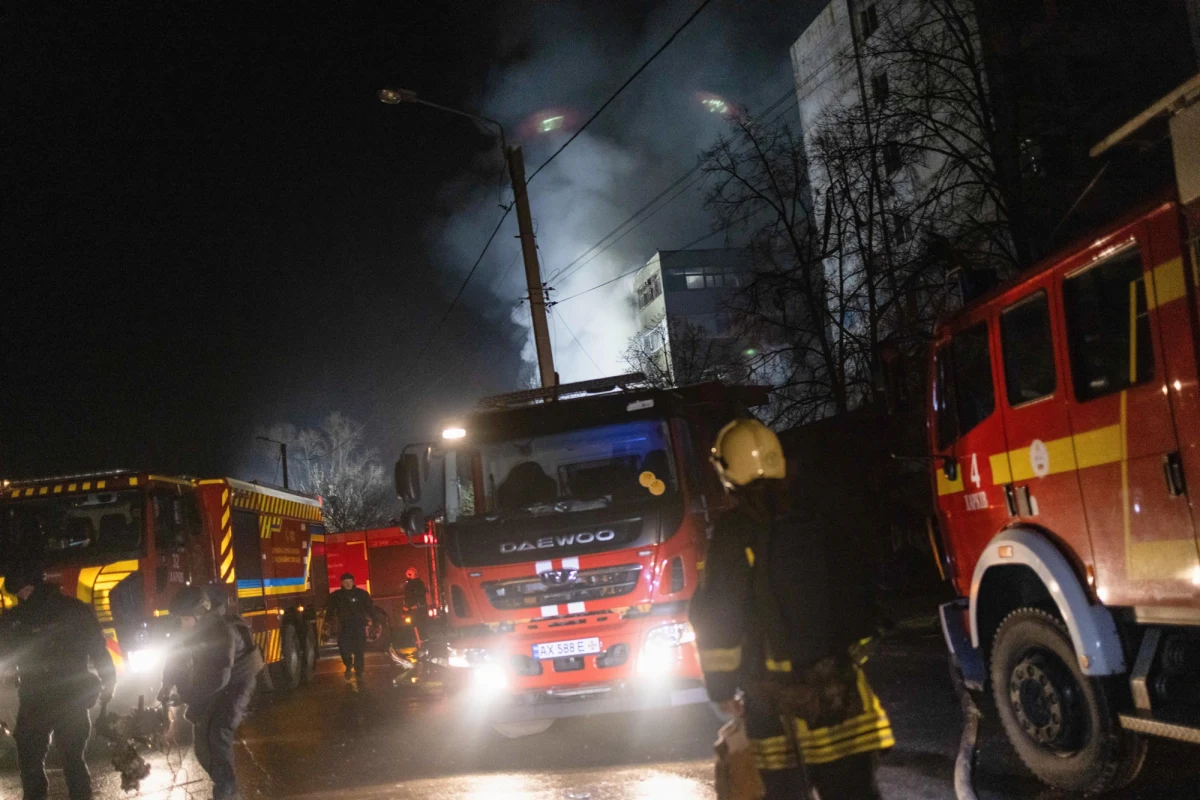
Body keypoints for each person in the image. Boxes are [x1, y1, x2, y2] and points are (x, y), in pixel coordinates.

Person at [690, 419, 893, 799]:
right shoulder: (823, 514)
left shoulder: (735, 533)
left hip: (774, 707)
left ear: (727, 472)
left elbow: (719, 616)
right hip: (841, 694)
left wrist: (720, 687)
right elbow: (862, 586)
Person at [0, 562, 116, 800]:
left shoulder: (19, 618)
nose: (21, 597)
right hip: (59, 697)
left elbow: (97, 647)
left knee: (46, 760)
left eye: (23, 591)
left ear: (32, 587)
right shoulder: (73, 609)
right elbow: (98, 648)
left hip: (48, 699)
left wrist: (109, 679)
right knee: (64, 759)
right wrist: (108, 679)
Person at [159, 586, 263, 800]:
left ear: (201, 614)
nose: (182, 624)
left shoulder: (222, 631)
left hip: (238, 680)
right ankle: (223, 782)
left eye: (186, 619)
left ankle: (227, 791)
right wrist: (167, 684)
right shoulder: (188, 628)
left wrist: (185, 697)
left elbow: (219, 679)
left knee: (218, 732)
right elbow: (175, 657)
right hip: (213, 679)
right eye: (180, 619)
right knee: (202, 741)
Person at [325, 573, 372, 680]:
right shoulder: (336, 596)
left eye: (350, 582)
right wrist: (327, 622)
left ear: (353, 582)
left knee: (359, 650)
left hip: (359, 626)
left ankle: (359, 671)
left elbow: (369, 608)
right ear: (341, 583)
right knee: (344, 649)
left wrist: (374, 620)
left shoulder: (361, 594)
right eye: (345, 582)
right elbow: (330, 610)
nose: (348, 584)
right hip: (344, 627)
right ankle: (348, 665)